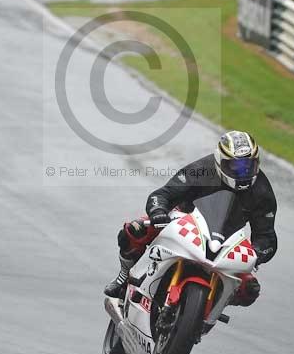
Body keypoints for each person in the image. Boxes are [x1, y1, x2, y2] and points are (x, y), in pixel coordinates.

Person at [104, 130, 277, 306]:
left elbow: (267, 236)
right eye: (236, 167)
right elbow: (163, 194)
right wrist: (158, 212)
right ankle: (124, 277)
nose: (243, 173)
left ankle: (208, 309)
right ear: (220, 161)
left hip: (228, 240)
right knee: (136, 229)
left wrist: (255, 253)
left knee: (250, 289)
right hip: (185, 221)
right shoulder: (201, 170)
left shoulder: (262, 192)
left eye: (249, 166)